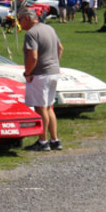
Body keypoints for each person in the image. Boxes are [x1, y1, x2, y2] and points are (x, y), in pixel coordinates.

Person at [18, 8, 63, 151]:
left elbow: (33, 56)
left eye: (20, 20)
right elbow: (60, 48)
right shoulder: (49, 28)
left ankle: (43, 142)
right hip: (53, 72)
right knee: (49, 106)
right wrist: (54, 63)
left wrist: (28, 72)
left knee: (40, 107)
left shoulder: (31, 33)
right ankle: (55, 140)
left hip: (39, 74)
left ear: (27, 18)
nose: (19, 23)